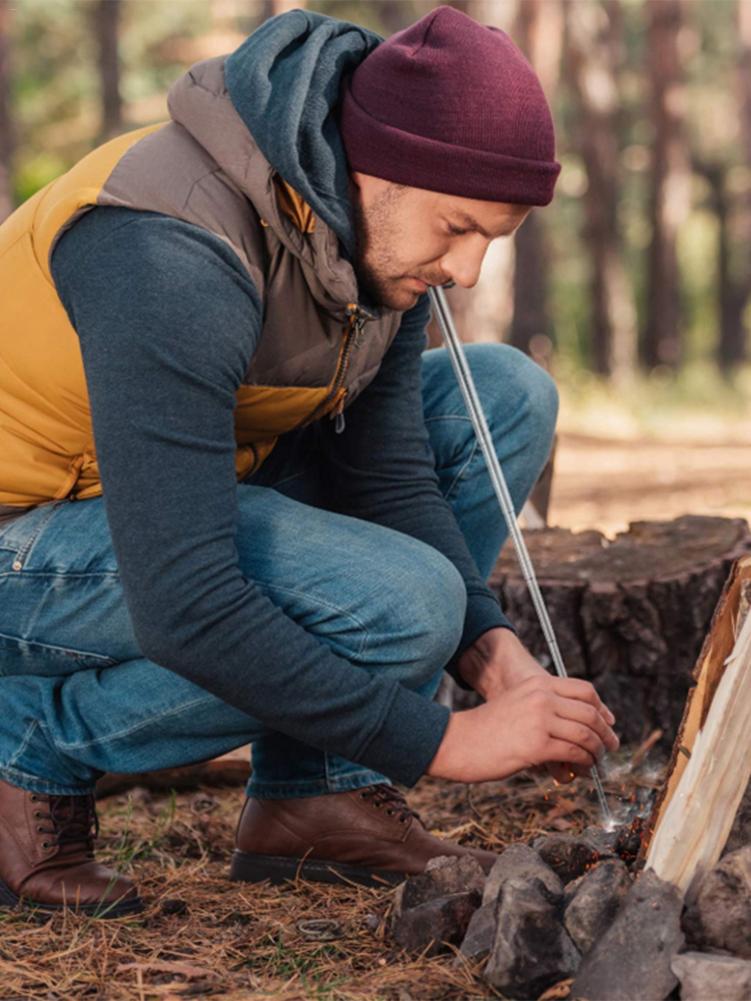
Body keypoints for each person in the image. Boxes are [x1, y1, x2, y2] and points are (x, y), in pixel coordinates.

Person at [0, 5, 618, 918]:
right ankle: (31, 743)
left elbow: (385, 475)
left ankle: (315, 794)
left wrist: (497, 660)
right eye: (457, 226)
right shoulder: (166, 244)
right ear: (378, 166)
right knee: (398, 606)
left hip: (152, 506)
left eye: (495, 235)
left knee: (504, 396)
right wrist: (445, 742)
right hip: (26, 539)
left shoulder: (358, 236)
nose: (469, 271)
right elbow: (187, 603)